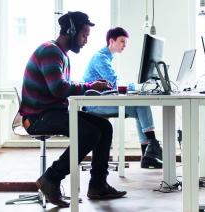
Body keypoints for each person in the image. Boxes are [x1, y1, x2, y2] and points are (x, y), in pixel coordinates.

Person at [19, 12, 127, 208]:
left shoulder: (61, 54)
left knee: (104, 126)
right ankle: (51, 178)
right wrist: (89, 86)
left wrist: (88, 86)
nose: (86, 40)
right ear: (71, 31)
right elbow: (59, 88)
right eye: (84, 35)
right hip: (37, 117)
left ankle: (98, 185)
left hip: (51, 112)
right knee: (90, 132)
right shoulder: (51, 52)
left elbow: (62, 85)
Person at [82, 27, 162, 169]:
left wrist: (136, 87)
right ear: (111, 41)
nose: (124, 45)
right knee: (141, 104)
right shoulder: (101, 58)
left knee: (140, 107)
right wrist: (137, 87)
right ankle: (152, 145)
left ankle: (147, 155)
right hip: (94, 103)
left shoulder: (106, 57)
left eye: (125, 42)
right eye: (122, 41)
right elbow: (114, 83)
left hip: (102, 101)